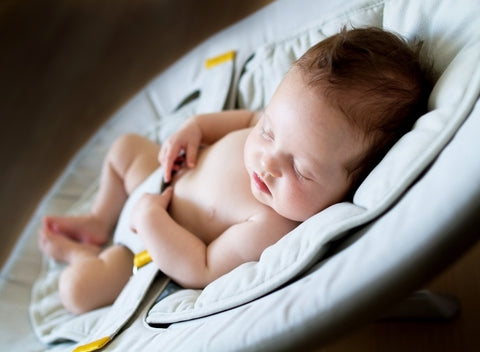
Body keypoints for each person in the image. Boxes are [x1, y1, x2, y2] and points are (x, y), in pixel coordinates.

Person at [38, 27, 431, 314]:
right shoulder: (284, 125)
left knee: (77, 291)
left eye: (299, 168)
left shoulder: (270, 225)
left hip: (143, 248)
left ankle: (79, 255)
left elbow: (201, 265)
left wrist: (150, 217)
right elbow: (244, 117)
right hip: (161, 175)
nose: (268, 161)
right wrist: (195, 129)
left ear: (349, 186)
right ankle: (98, 218)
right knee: (124, 148)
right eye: (268, 132)